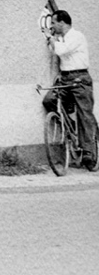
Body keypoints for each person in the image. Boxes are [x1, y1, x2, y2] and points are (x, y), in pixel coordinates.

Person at [41, 9, 96, 170]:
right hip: (65, 78)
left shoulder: (76, 36)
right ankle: (69, 123)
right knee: (49, 100)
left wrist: (50, 38)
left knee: (84, 114)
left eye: (53, 23)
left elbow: (61, 50)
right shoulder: (61, 38)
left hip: (80, 79)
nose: (52, 26)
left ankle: (89, 152)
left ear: (62, 23)